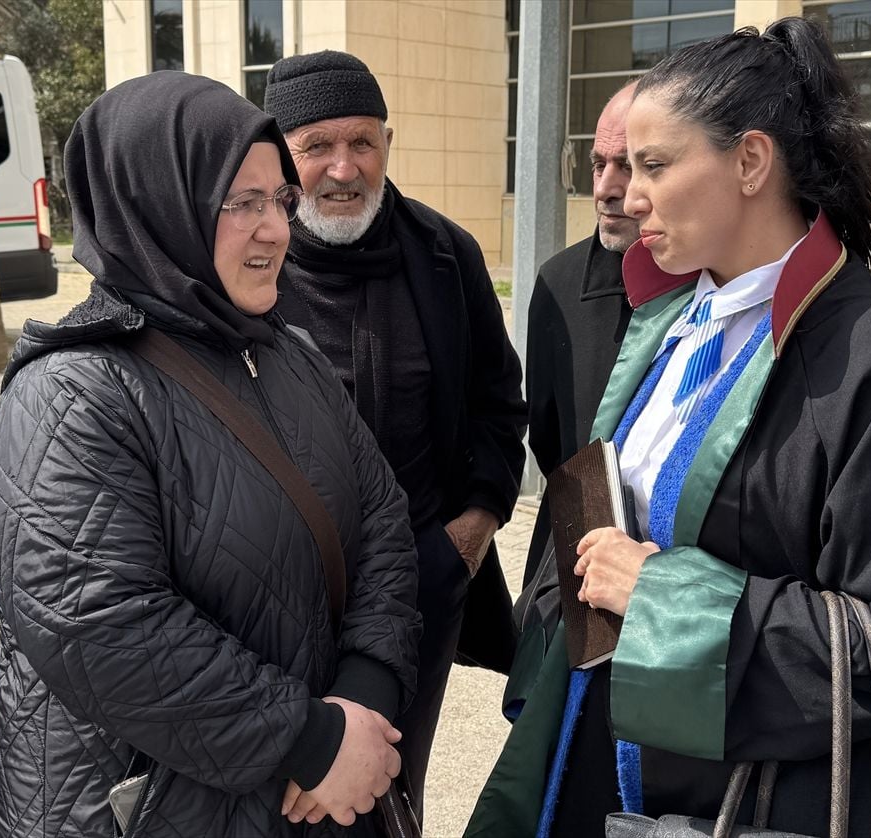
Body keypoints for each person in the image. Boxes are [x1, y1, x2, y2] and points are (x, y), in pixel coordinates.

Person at [467, 18, 871, 838]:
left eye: (655, 165)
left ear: (750, 162)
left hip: (742, 806)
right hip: (603, 770)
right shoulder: (673, 318)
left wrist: (661, 596)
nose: (629, 195)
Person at [0, 72, 421, 837]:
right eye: (240, 203)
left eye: (279, 199)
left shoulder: (289, 354)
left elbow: (381, 521)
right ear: (154, 204)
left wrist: (364, 690)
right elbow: (99, 624)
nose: (276, 230)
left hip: (296, 797)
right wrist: (310, 739)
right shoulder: (72, 394)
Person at [263, 50, 528, 808]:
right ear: (277, 156)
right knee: (285, 795)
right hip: (277, 597)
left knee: (389, 791)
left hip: (419, 587)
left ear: (388, 143)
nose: (343, 168)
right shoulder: (244, 259)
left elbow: (498, 404)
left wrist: (467, 537)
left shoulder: (446, 255)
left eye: (363, 142)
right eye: (316, 146)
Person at [520, 80, 637, 592]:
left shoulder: (719, 286)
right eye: (598, 164)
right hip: (576, 567)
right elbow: (550, 442)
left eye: (629, 165)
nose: (606, 189)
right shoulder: (559, 284)